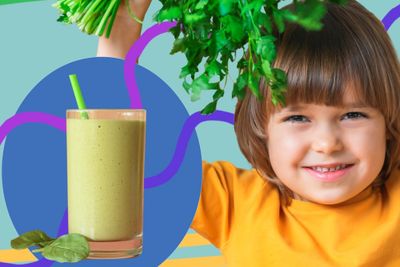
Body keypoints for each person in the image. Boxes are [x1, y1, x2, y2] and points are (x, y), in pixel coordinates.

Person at [98, 0, 400, 265]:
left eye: (353, 115)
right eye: (297, 118)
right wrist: (120, 35)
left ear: (388, 120)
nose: (327, 143)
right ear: (262, 127)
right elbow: (122, 152)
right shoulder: (235, 201)